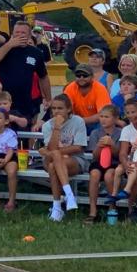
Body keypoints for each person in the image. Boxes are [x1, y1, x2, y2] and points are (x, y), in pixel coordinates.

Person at [0, 23, 48, 131]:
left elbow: (43, 76)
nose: (19, 35)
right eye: (17, 32)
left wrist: (48, 98)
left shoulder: (35, 53)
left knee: (24, 132)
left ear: (29, 35)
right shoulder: (4, 47)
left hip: (25, 103)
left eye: (23, 33)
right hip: (3, 101)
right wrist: (10, 45)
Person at [40, 93, 87, 221]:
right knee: (54, 158)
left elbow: (78, 147)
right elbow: (51, 148)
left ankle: (57, 207)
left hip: (75, 160)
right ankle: (69, 195)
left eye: (60, 108)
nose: (56, 111)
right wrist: (56, 128)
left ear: (69, 109)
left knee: (53, 164)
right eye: (53, 108)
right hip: (54, 159)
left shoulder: (78, 121)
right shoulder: (47, 125)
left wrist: (51, 153)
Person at [83, 103, 125, 223]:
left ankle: (112, 207)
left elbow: (119, 154)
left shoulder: (120, 133)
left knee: (109, 175)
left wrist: (112, 145)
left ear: (116, 119)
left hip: (114, 162)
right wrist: (99, 146)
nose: (103, 119)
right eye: (101, 116)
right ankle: (93, 210)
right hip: (98, 162)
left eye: (107, 117)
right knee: (95, 174)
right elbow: (95, 156)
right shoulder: (95, 133)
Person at [62, 65, 111, 131]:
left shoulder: (100, 88)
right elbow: (64, 109)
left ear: (92, 77)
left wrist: (80, 120)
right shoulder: (70, 88)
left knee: (104, 122)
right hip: (75, 122)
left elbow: (103, 114)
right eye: (78, 75)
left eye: (85, 75)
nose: (81, 78)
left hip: (96, 123)